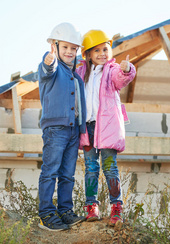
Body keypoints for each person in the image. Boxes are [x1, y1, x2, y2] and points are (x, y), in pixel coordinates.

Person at [76, 30, 136, 227]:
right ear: (88, 54)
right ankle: (91, 206)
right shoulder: (81, 72)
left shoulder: (112, 70)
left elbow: (122, 79)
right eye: (97, 50)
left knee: (110, 167)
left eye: (105, 49)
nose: (102, 53)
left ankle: (116, 207)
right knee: (91, 169)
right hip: (88, 129)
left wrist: (127, 69)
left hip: (108, 129)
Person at [37, 22, 87, 231]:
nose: (69, 52)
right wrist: (48, 61)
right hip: (55, 129)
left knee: (67, 174)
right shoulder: (52, 69)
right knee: (50, 171)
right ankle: (46, 214)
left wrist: (82, 130)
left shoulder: (76, 76)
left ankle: (65, 211)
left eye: (73, 48)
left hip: (73, 130)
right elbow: (48, 68)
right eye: (64, 47)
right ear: (54, 47)